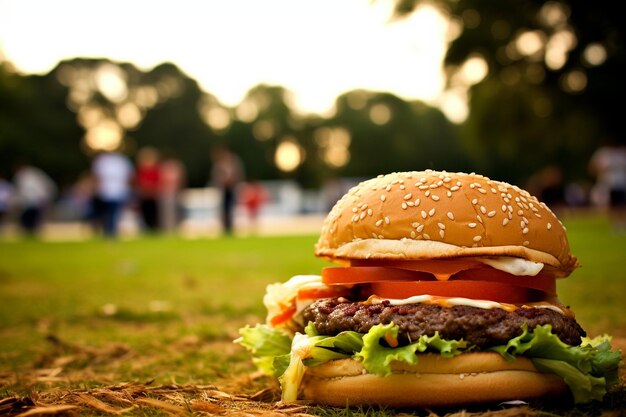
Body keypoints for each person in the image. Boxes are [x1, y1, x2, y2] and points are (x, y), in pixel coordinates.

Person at [92, 150, 134, 238]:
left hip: (117, 191)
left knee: (113, 213)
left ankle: (111, 231)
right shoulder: (103, 160)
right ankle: (107, 230)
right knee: (107, 213)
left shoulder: (121, 160)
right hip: (105, 191)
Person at [589, 138, 626, 230]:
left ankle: (621, 222)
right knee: (612, 204)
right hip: (607, 184)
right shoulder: (603, 153)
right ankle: (615, 223)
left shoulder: (622, 153)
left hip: (621, 184)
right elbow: (592, 168)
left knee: (621, 203)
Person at [13, 163, 57, 236]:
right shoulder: (32, 175)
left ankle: (31, 231)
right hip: (34, 200)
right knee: (31, 218)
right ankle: (29, 231)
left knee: (31, 217)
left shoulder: (26, 176)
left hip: (34, 200)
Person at [210, 145, 244, 235]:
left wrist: (232, 181)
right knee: (223, 209)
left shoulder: (234, 162)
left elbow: (239, 174)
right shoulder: (219, 164)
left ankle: (231, 227)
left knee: (231, 208)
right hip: (223, 190)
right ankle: (225, 228)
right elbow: (216, 177)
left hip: (232, 189)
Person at [135, 147, 161, 233]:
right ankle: (146, 229)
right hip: (144, 196)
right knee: (145, 214)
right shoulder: (141, 170)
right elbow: (138, 182)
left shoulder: (155, 170)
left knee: (154, 215)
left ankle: (154, 229)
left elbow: (158, 182)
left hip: (153, 196)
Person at [158, 152, 186, 233]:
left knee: (177, 212)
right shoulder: (164, 168)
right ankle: (167, 228)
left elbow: (180, 180)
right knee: (166, 212)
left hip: (175, 193)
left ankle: (176, 227)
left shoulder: (177, 167)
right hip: (166, 193)